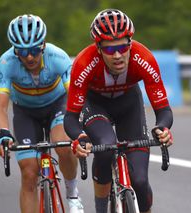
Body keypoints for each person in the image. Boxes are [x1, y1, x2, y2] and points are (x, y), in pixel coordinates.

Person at [64, 9, 174, 213]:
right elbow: (70, 117)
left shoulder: (144, 58)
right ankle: (100, 209)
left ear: (130, 43)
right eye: (109, 49)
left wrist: (162, 128)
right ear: (98, 48)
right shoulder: (83, 63)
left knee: (140, 181)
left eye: (123, 47)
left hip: (128, 103)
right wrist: (79, 137)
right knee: (106, 146)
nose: (117, 55)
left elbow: (163, 109)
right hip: (95, 104)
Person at [0, 14, 84, 213]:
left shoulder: (58, 57)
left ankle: (72, 193)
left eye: (35, 50)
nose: (30, 57)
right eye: (23, 51)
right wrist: (3, 134)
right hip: (25, 111)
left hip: (57, 105)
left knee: (64, 147)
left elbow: (75, 97)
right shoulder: (6, 62)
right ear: (14, 49)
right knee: (29, 173)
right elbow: (0, 107)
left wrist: (80, 127)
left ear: (43, 45)